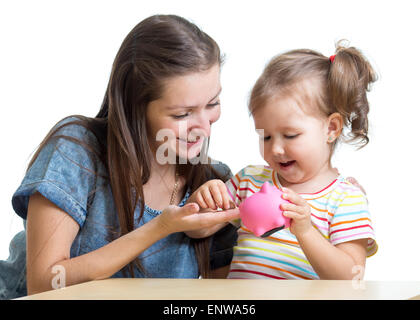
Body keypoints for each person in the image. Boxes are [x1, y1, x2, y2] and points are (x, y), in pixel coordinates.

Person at [0, 14, 241, 299]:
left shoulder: (211, 183)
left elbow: (223, 300)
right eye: (182, 114)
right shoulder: (78, 151)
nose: (203, 126)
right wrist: (162, 226)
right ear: (135, 107)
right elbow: (43, 284)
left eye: (212, 103)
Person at [187, 41, 378, 280]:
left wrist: (306, 232)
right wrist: (202, 201)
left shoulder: (346, 199)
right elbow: (195, 230)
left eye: (290, 135)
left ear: (331, 128)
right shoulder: (249, 180)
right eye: (265, 136)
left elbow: (351, 279)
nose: (275, 149)